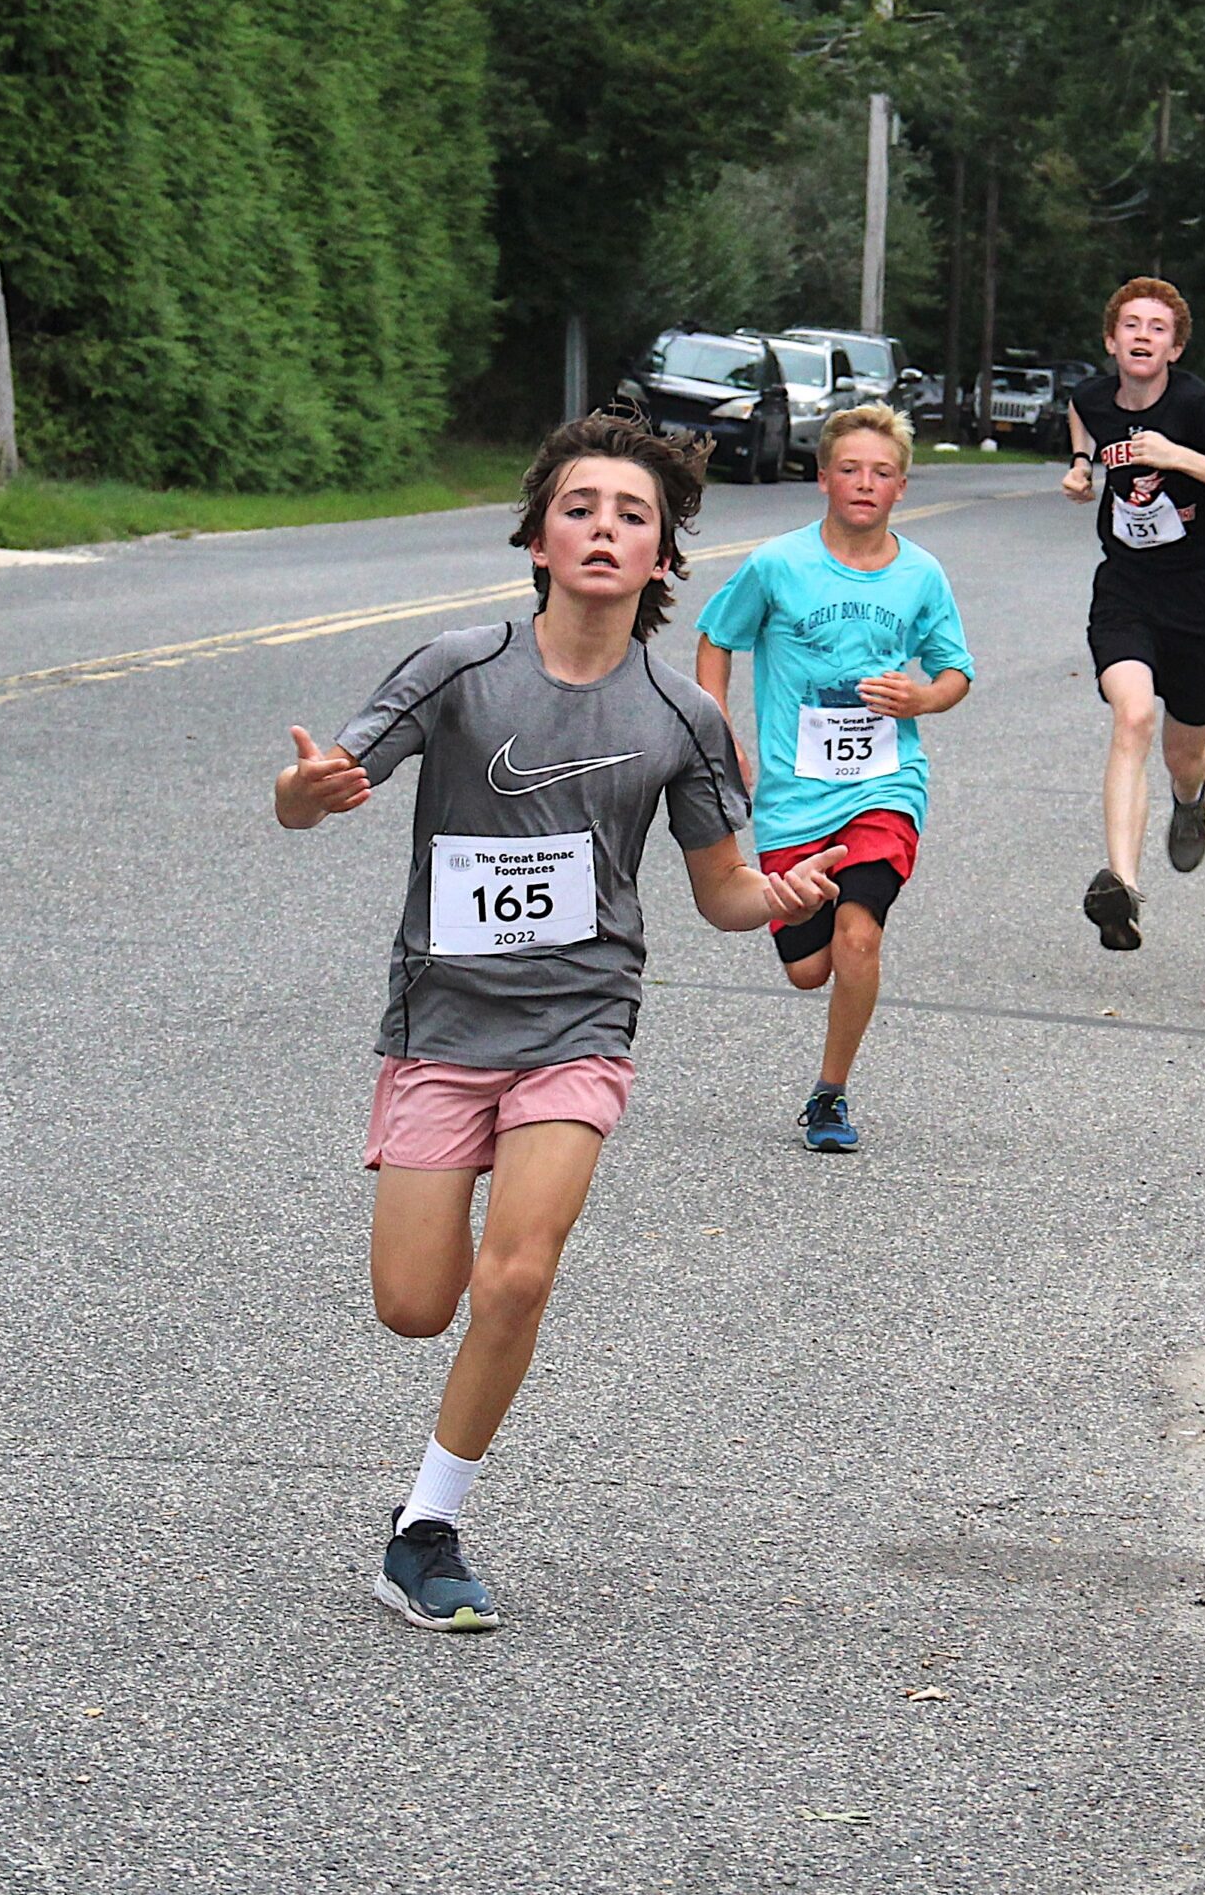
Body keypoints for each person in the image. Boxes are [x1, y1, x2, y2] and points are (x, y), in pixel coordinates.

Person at [272, 413, 841, 1632]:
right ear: (537, 536)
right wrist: (301, 793)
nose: (604, 529)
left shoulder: (682, 715)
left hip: (580, 1021)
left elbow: (722, 890)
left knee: (518, 1273)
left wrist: (778, 896)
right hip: (442, 1022)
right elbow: (322, 792)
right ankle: (425, 1496)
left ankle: (427, 1522)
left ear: (659, 562)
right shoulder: (460, 669)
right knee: (415, 1304)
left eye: (632, 516)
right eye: (580, 507)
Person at [695, 403, 975, 1153]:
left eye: (881, 473)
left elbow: (956, 672)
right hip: (794, 796)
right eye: (849, 469)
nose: (864, 483)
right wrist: (718, 724)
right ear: (822, 478)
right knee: (808, 969)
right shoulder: (778, 564)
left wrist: (921, 697)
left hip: (885, 785)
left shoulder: (921, 574)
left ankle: (830, 1094)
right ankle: (815, 978)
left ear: (902, 488)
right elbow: (715, 638)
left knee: (858, 941)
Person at [1060, 276, 1205, 949]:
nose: (1143, 336)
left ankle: (1191, 796)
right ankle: (1120, 886)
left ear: (1174, 346)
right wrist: (1080, 465)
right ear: (1111, 339)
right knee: (1133, 716)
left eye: (1158, 328)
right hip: (1124, 587)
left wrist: (1177, 454)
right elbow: (1082, 414)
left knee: (1183, 752)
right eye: (1131, 325)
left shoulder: (1197, 407)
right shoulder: (1095, 395)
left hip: (1195, 597)